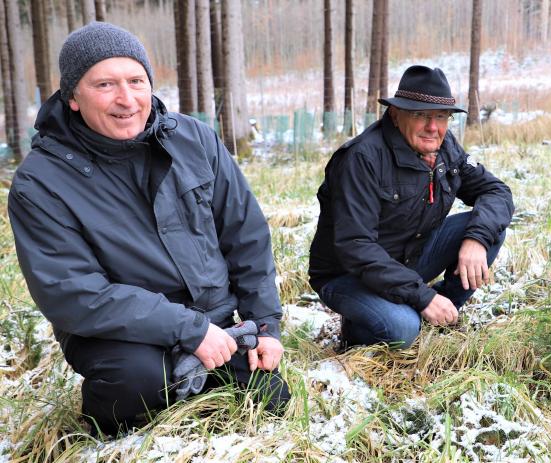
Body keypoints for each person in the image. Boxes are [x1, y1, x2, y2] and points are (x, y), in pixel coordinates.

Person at [8, 22, 290, 436]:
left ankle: (190, 386)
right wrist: (188, 330)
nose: (126, 99)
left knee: (269, 398)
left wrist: (264, 324)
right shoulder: (41, 182)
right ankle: (106, 427)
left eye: (136, 81)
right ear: (72, 97)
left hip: (212, 319)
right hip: (117, 335)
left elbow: (245, 235)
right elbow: (73, 293)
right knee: (138, 383)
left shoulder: (194, 138)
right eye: (105, 84)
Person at [308, 65, 514, 349]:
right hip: (348, 274)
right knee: (403, 328)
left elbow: (496, 191)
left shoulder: (444, 148)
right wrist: (423, 297)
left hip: (408, 259)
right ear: (395, 114)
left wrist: (476, 240)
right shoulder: (362, 159)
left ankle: (443, 314)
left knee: (485, 228)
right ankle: (359, 330)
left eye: (441, 117)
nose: (433, 127)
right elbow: (356, 247)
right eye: (421, 115)